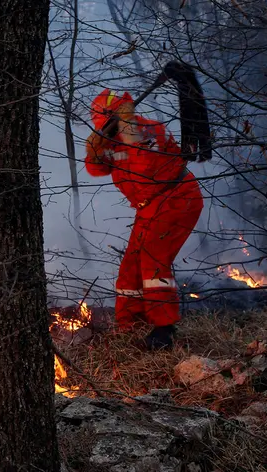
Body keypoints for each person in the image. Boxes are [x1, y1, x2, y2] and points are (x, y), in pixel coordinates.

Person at [85, 89, 204, 350]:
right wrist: (93, 148)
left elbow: (144, 168)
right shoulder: (112, 139)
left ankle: (164, 331)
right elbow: (96, 169)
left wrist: (126, 129)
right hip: (148, 207)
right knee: (130, 265)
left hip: (176, 198)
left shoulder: (149, 131)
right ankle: (131, 325)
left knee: (153, 260)